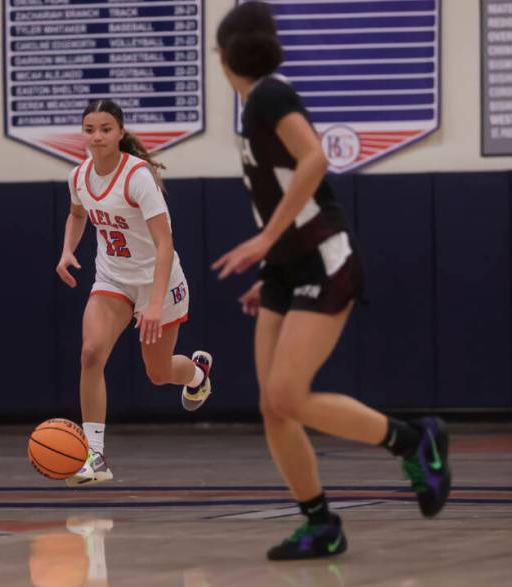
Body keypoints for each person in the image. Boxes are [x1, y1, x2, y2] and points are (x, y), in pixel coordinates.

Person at [210, 2, 451, 560]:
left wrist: (267, 241)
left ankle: (415, 440)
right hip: (286, 268)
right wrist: (272, 260)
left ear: (222, 56)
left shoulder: (270, 94)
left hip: (324, 259)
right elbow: (285, 188)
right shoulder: (254, 108)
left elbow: (316, 158)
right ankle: (321, 524)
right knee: (274, 407)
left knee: (288, 394)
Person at [56, 100, 213, 487]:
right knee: (91, 353)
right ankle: (95, 456)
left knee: (158, 374)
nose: (97, 136)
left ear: (120, 132)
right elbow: (78, 214)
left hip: (159, 280)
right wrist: (67, 250)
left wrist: (155, 303)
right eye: (90, 128)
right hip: (113, 279)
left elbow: (165, 245)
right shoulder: (78, 176)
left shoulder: (137, 176)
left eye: (105, 128)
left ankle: (197, 373)